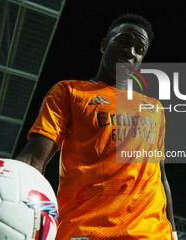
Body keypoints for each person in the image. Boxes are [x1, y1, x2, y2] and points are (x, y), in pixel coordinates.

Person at [19, 13, 177, 240]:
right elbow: (33, 161)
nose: (130, 52)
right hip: (86, 231)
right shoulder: (70, 92)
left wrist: (173, 232)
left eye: (139, 49)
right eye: (123, 41)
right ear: (105, 45)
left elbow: (161, 177)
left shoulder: (154, 109)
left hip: (151, 234)